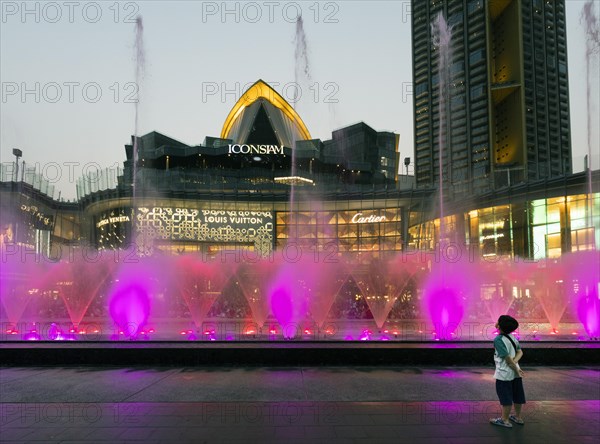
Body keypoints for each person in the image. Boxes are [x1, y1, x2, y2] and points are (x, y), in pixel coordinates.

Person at [490, 314, 526, 428]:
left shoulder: (498, 340)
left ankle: (505, 420)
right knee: (517, 395)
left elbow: (507, 359)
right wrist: (516, 367)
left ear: (499, 326)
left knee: (505, 396)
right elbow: (520, 352)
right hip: (516, 373)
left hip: (504, 373)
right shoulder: (512, 337)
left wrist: (514, 365)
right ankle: (518, 417)